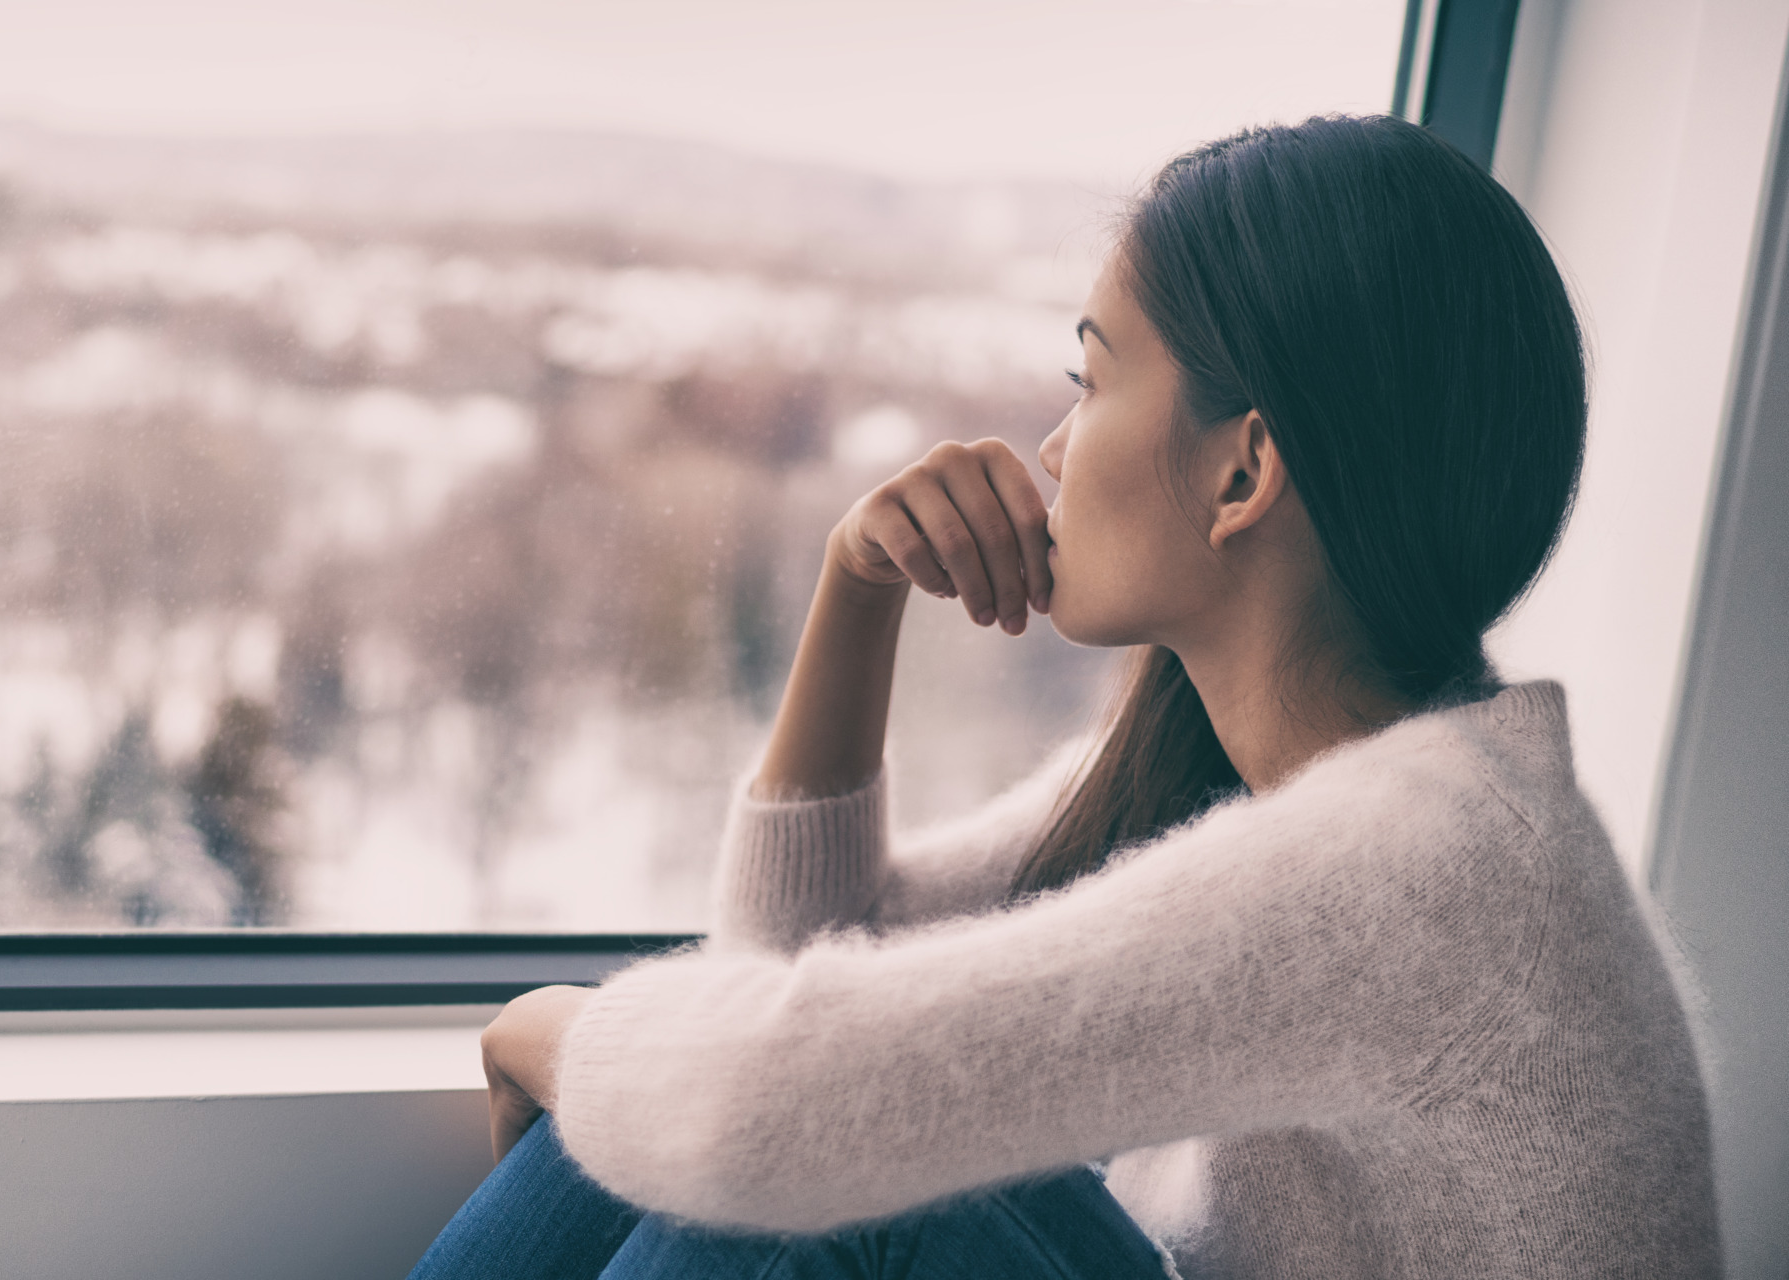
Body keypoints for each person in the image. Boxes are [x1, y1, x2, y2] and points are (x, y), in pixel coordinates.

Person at [410, 114, 1721, 1279]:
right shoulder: (1252, 768)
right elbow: (796, 973)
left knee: (803, 1162)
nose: (1052, 446)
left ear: (1243, 471)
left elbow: (764, 1111)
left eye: (1090, 383)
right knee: (715, 1127)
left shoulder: (1429, 864)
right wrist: (855, 592)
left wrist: (554, 1037)